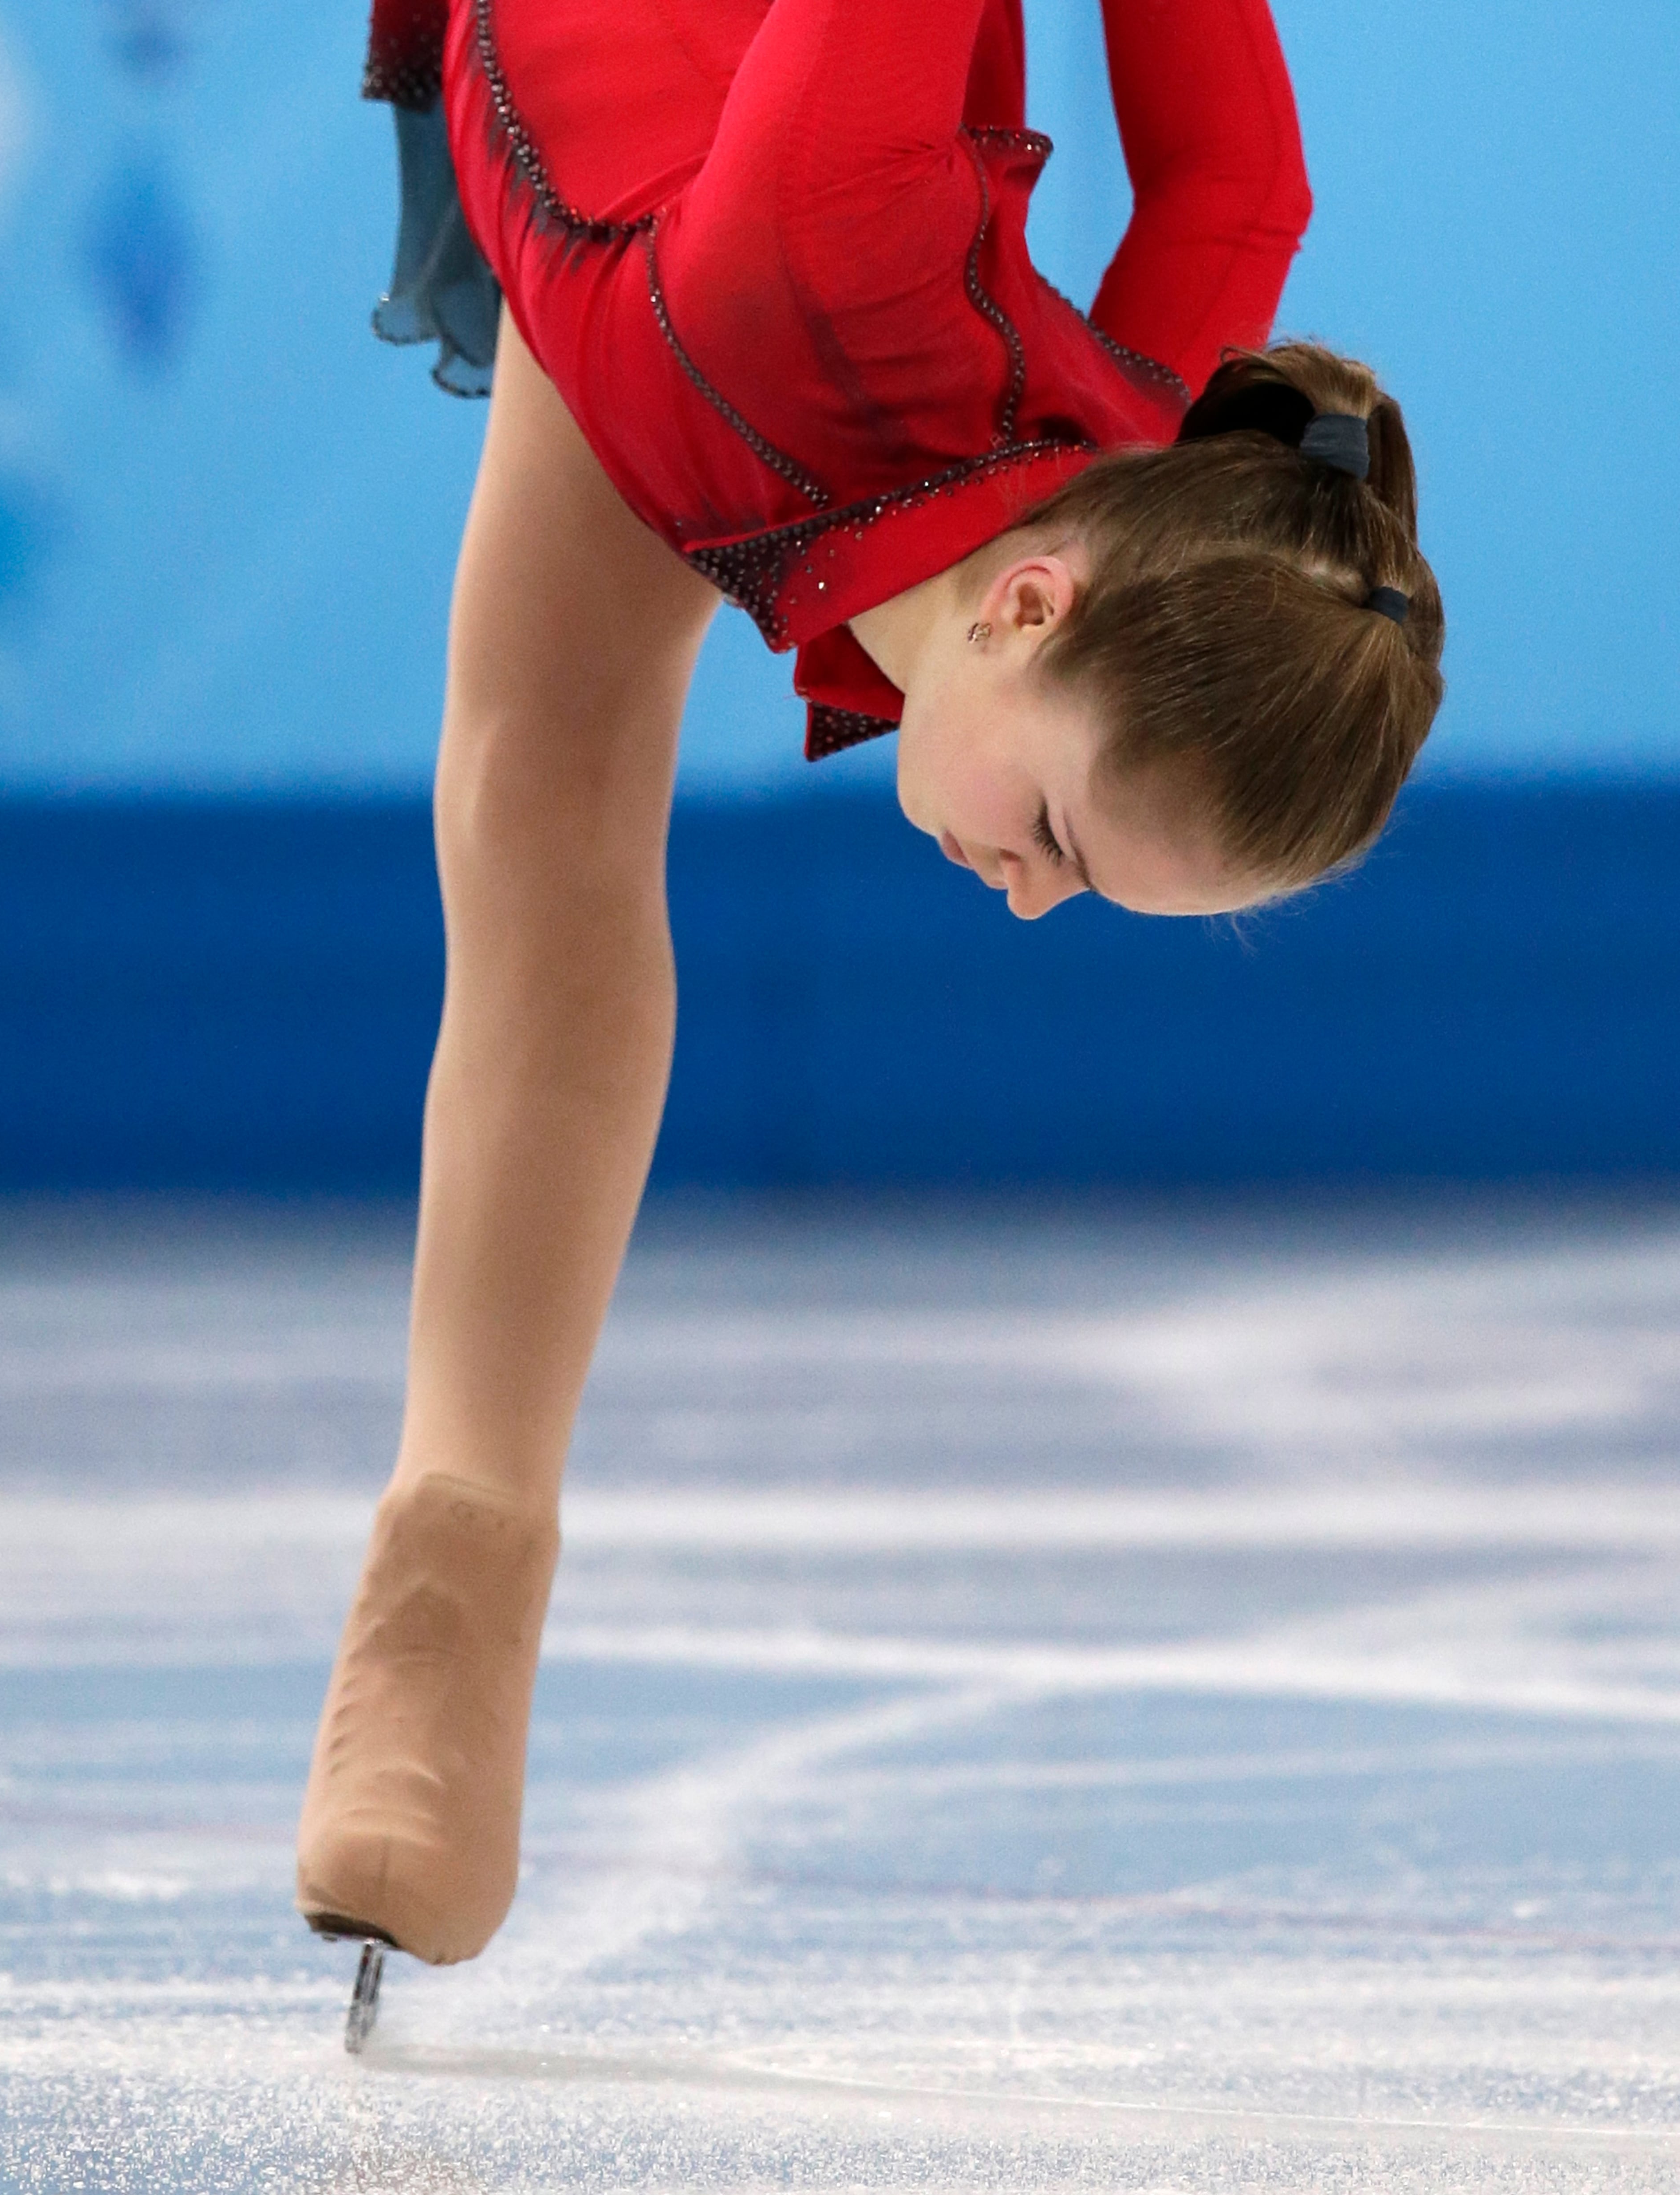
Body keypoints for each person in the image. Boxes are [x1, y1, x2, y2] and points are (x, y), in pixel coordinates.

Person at [296, 0, 1445, 1966]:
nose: (1022, 904)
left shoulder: (1133, 453)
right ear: (1023, 604)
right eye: (1066, 845)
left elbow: (1244, 184)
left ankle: (461, 1583)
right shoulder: (820, 250)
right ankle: (449, 1584)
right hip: (699, 222)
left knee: (552, 795)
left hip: (664, 253)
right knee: (544, 808)